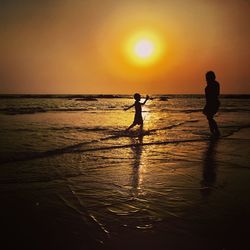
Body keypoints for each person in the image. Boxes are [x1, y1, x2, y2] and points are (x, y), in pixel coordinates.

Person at [203, 71, 221, 137]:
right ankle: (214, 131)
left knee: (209, 117)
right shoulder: (213, 85)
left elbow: (216, 94)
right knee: (209, 117)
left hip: (213, 103)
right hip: (211, 103)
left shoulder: (214, 84)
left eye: (207, 77)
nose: (206, 79)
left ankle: (215, 131)